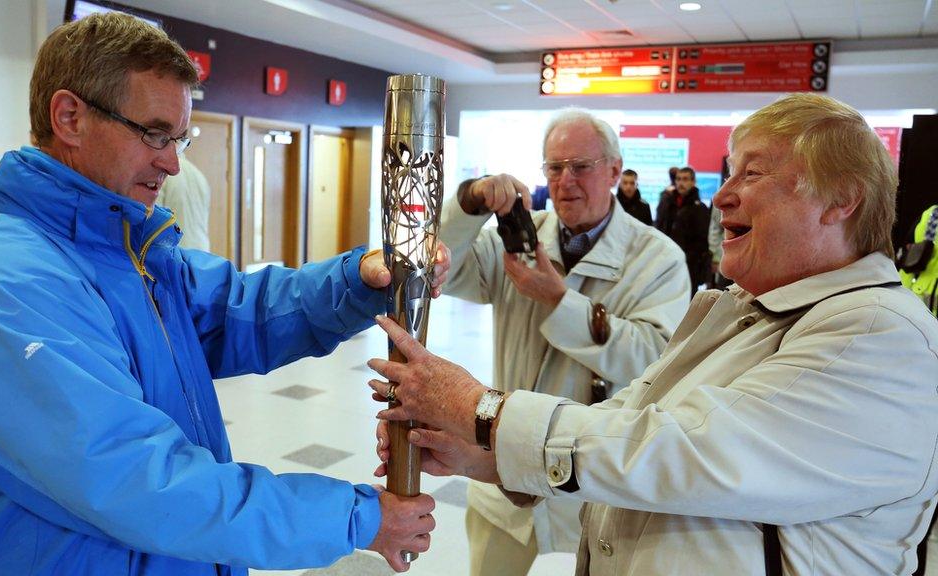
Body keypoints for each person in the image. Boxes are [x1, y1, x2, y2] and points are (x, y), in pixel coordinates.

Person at [0, 13, 448, 575]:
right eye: (153, 133)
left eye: (180, 138)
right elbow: (142, 483)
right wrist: (354, 518)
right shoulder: (11, 286)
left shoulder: (135, 255)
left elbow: (243, 309)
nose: (172, 162)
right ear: (69, 116)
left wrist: (358, 281)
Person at [368, 92, 938, 575]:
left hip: (564, 475)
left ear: (842, 200)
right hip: (536, 476)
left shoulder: (874, 338)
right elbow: (640, 409)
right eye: (553, 169)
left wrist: (485, 406)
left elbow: (674, 441)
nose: (724, 195)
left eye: (753, 172)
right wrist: (484, 453)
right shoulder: (756, 310)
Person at [440, 109, 689, 576]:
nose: (565, 180)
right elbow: (446, 271)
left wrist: (559, 301)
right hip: (505, 481)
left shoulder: (657, 259)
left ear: (614, 171)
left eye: (581, 166)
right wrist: (469, 204)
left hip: (594, 491)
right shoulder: (516, 242)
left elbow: (655, 358)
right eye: (554, 168)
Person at [656, 166, 711, 296]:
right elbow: (661, 228)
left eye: (685, 179)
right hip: (668, 262)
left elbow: (702, 240)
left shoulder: (699, 208)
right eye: (679, 179)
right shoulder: (667, 203)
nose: (681, 183)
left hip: (690, 265)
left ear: (693, 182)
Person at [156, 154, 211, 251]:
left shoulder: (162, 174)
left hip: (176, 254)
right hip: (201, 253)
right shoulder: (199, 176)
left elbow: (152, 220)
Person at [898, 204, 938, 316]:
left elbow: (903, 251)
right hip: (914, 302)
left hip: (905, 300)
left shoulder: (932, 214)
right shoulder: (932, 214)